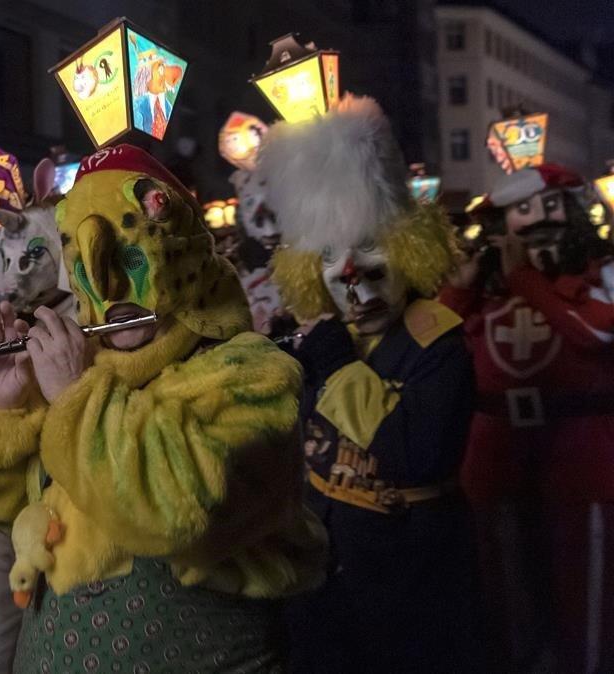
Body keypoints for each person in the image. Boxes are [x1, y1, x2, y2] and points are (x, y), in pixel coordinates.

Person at [0, 144, 327, 672]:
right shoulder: (83, 369)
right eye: (85, 265)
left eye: (128, 259)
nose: (107, 288)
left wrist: (76, 398)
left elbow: (177, 511)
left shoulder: (251, 373)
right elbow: (3, 510)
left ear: (180, 257)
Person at [258, 95, 481, 672]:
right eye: (329, 252)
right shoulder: (328, 342)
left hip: (410, 571)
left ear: (409, 249)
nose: (350, 271)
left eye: (369, 244)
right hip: (323, 573)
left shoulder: (440, 343)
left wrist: (336, 370)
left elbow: (418, 454)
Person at [439, 163, 614, 672]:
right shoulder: (487, 290)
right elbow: (435, 352)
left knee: (584, 599)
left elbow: (596, 333)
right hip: (497, 464)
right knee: (506, 598)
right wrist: (460, 290)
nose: (539, 244)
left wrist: (526, 279)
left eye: (552, 228)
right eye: (524, 232)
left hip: (581, 464)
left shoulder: (599, 276)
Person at [0, 157, 77, 674]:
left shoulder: (89, 324)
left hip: (65, 513)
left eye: (34, 255)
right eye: (12, 254)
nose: (19, 269)